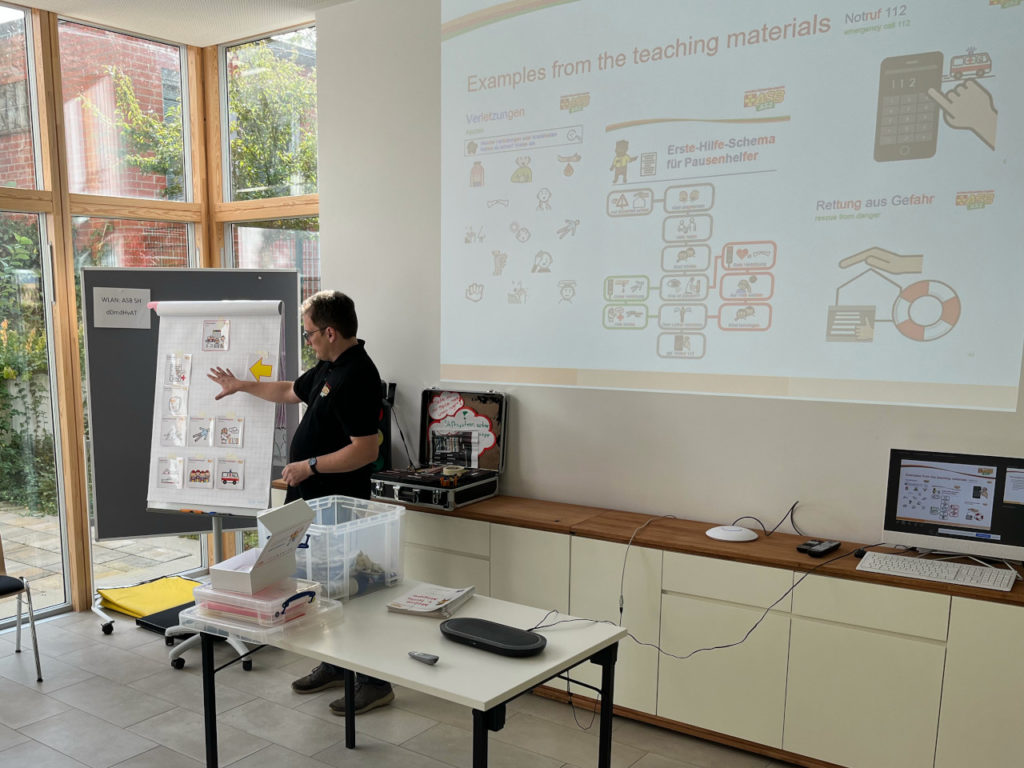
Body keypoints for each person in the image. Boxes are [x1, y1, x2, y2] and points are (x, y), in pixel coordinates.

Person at [208, 289, 394, 716]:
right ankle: (335, 663)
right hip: (314, 501)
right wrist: (241, 386)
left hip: (340, 503)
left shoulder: (358, 376)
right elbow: (290, 390)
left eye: (310, 333)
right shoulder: (330, 367)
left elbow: (366, 450)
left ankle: (375, 682)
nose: (307, 340)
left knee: (349, 591)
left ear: (330, 331)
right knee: (323, 588)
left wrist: (308, 465)